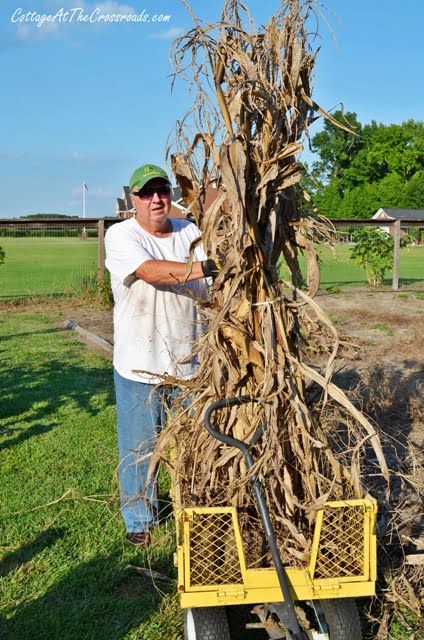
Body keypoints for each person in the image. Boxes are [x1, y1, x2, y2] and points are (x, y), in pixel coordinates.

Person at [105, 164, 217, 547]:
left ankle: (198, 509)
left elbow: (219, 281)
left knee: (197, 444)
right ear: (133, 199)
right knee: (140, 448)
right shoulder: (120, 234)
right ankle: (139, 518)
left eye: (163, 191)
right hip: (141, 364)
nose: (156, 199)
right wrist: (206, 266)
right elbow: (151, 272)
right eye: (147, 193)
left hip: (192, 363)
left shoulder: (191, 232)